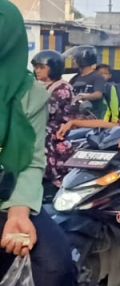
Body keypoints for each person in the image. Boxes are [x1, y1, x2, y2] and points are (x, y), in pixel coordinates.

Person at [0, 0, 97, 286]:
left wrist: (19, 212)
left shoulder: (30, 95)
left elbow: (30, 161)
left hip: (8, 194)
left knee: (55, 262)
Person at [31, 50, 77, 190]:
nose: (37, 70)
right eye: (36, 67)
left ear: (53, 68)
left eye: (41, 67)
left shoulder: (62, 88)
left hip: (55, 132)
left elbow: (46, 111)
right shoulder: (41, 85)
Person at [68, 45, 106, 118]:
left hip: (92, 116)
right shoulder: (75, 78)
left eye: (75, 59)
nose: (73, 61)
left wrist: (82, 97)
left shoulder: (97, 76)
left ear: (81, 59)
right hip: (76, 116)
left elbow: (98, 94)